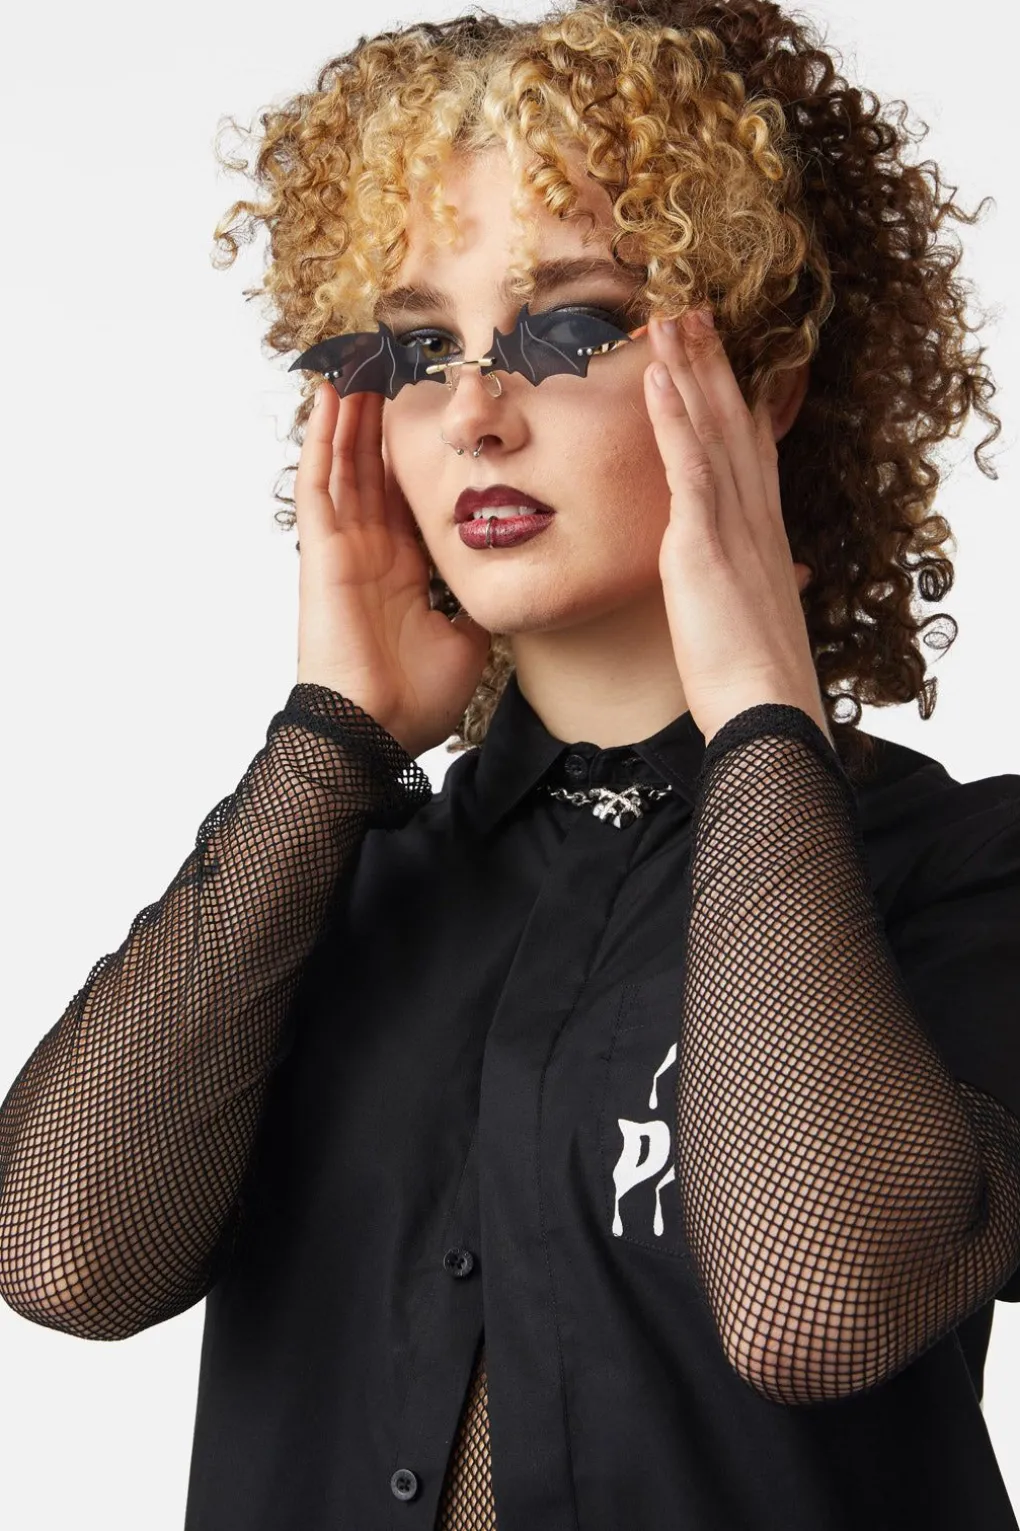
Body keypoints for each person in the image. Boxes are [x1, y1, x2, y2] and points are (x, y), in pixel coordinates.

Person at [1, 1, 1019, 1526]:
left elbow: (812, 1302)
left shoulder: (962, 878)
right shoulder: (325, 882)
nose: (476, 415)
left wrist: (760, 698)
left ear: (767, 387)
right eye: (419, 347)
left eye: (571, 327)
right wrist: (329, 737)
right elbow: (61, 1258)